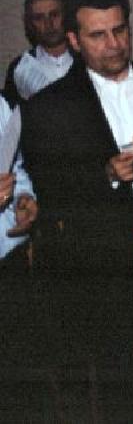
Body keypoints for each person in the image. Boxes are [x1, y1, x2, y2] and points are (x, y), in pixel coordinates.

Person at [20, 0, 133, 422]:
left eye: (120, 30)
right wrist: (106, 175)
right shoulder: (49, 107)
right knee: (116, 376)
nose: (114, 44)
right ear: (74, 40)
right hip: (105, 256)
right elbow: (50, 190)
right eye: (98, 35)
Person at [0, 94, 40, 422]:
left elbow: (15, 166)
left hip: (6, 250)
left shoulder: (0, 104)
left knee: (19, 369)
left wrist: (23, 197)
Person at [4, 0, 73, 107]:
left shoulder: (88, 59)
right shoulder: (21, 68)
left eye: (54, 15)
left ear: (66, 15)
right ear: (29, 23)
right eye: (39, 18)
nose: (48, 24)